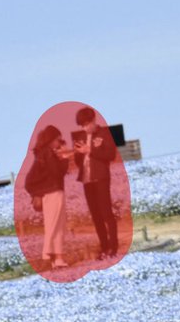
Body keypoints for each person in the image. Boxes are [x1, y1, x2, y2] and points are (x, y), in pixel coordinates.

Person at [24, 125, 71, 269]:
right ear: (51, 140)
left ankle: (57, 259)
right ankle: (48, 255)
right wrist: (64, 158)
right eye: (58, 139)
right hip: (54, 192)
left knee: (54, 225)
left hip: (48, 193)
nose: (60, 142)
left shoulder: (42, 154)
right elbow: (57, 173)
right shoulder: (49, 154)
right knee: (55, 226)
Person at [73, 107, 117, 258]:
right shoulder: (80, 136)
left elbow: (110, 155)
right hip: (87, 180)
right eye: (82, 125)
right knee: (96, 216)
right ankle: (103, 247)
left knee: (106, 214)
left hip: (101, 178)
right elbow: (78, 161)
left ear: (93, 120)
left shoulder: (105, 133)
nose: (85, 128)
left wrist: (90, 150)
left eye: (86, 124)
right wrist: (78, 153)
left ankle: (113, 247)